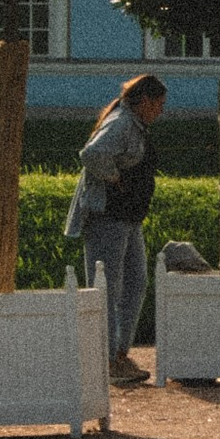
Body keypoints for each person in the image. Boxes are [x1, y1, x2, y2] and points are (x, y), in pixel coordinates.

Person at [67, 71, 165, 379]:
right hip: (108, 216)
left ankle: (120, 353)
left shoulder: (132, 123)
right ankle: (106, 360)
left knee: (135, 284)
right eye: (159, 104)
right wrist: (116, 179)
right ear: (145, 100)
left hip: (127, 218)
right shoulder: (122, 123)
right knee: (106, 289)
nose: (161, 111)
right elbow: (93, 154)